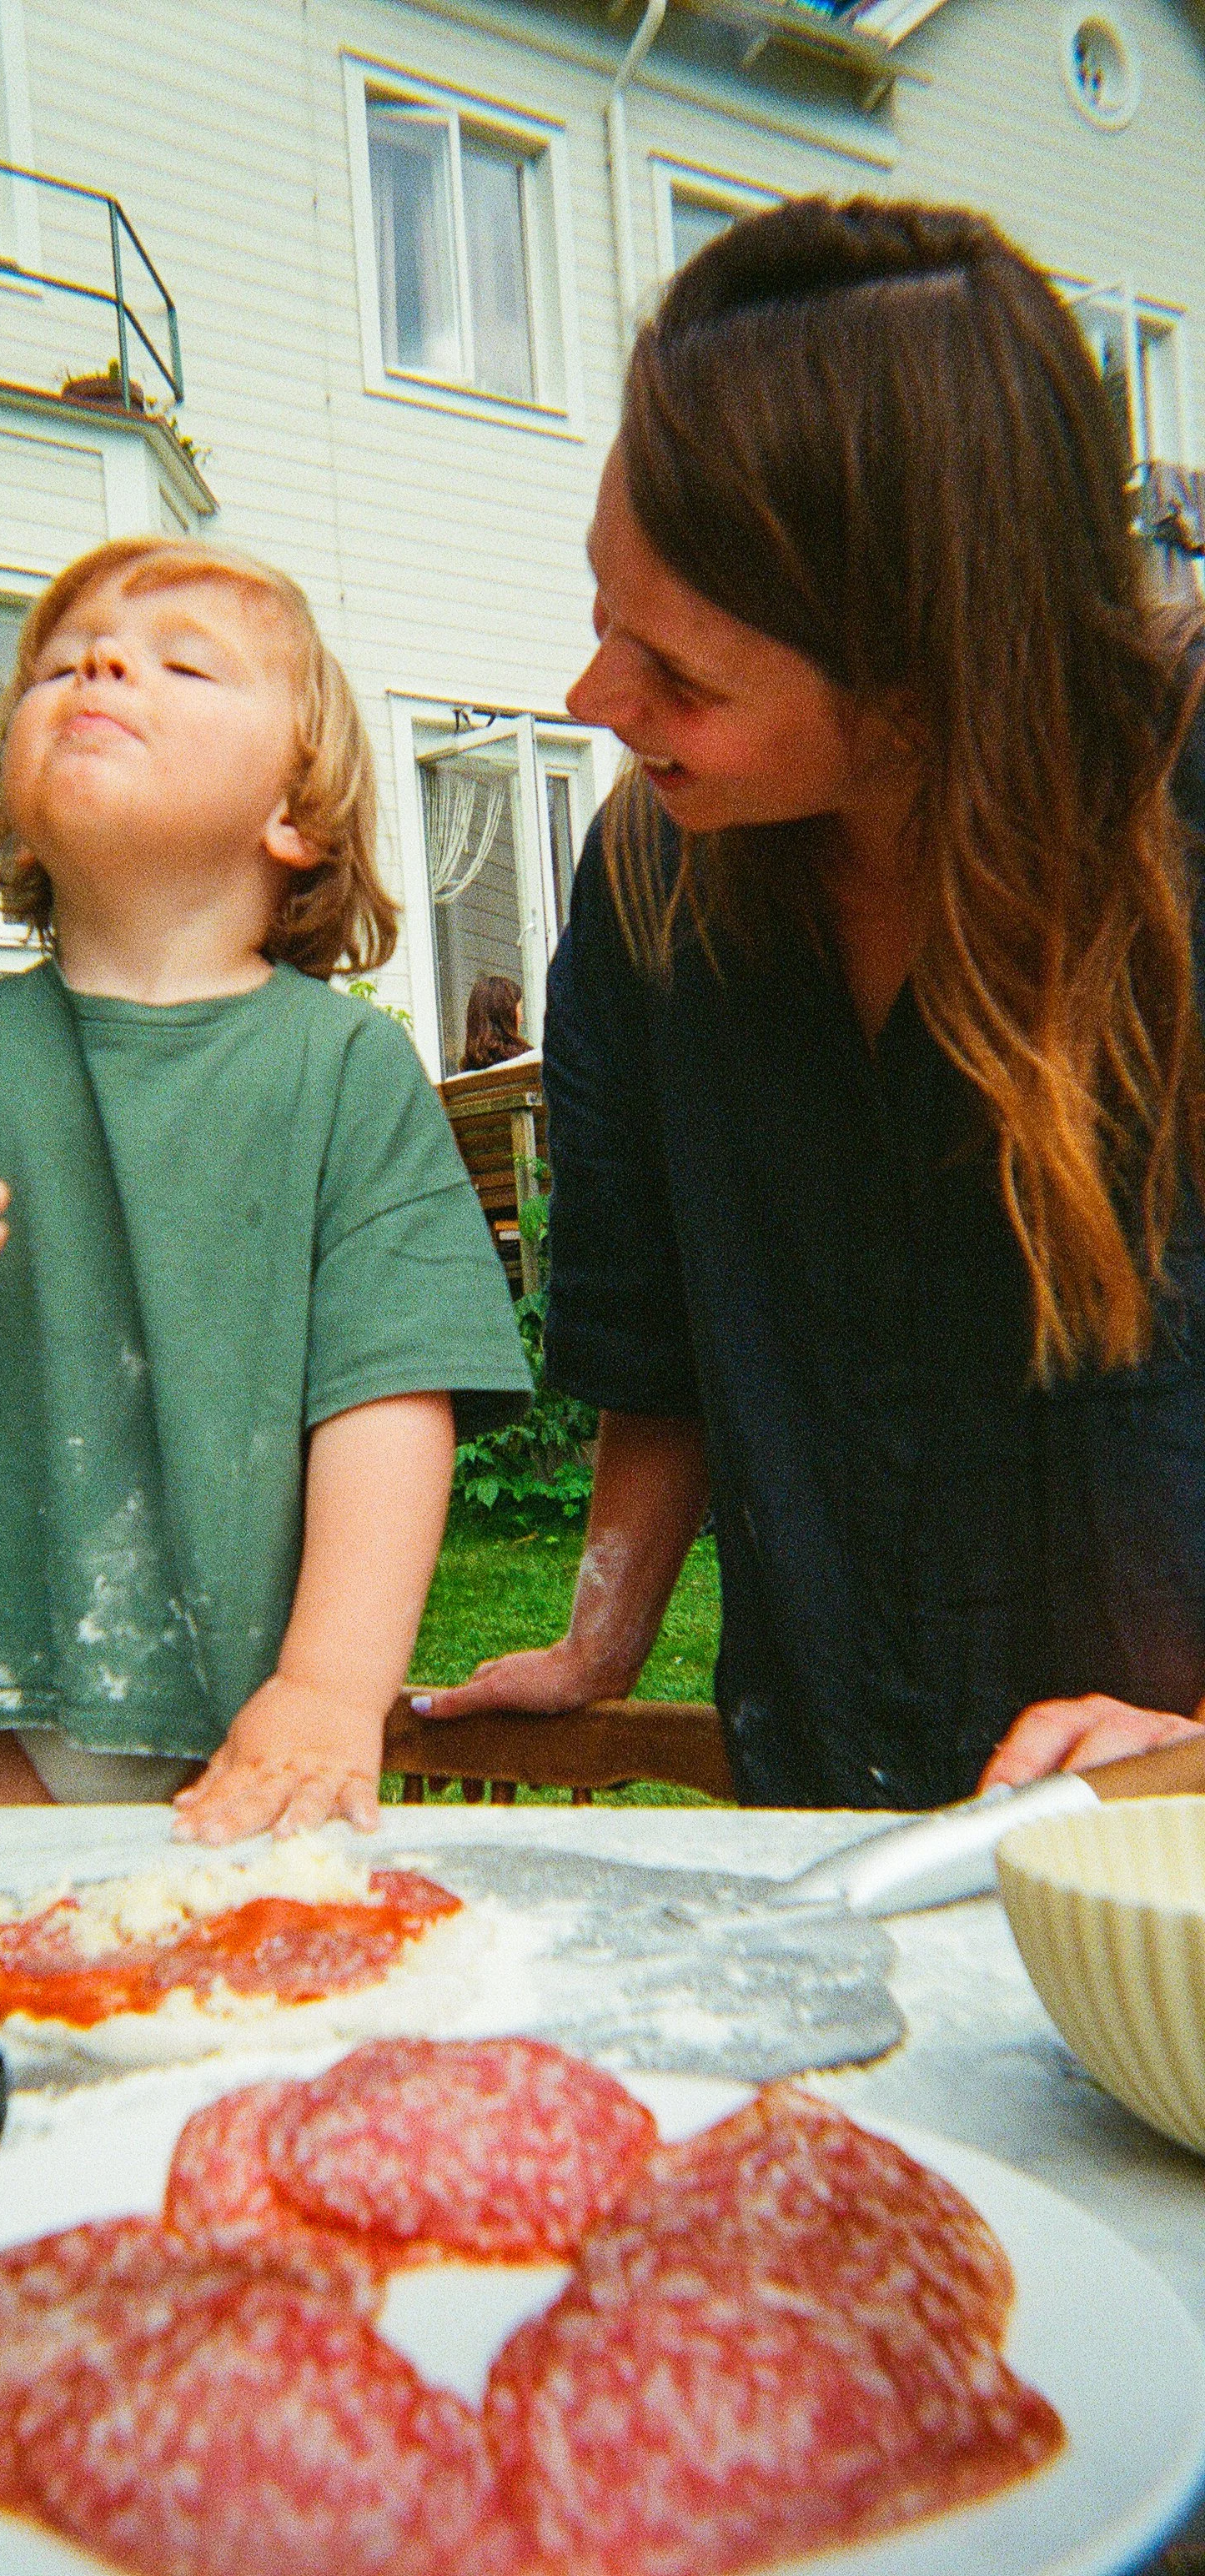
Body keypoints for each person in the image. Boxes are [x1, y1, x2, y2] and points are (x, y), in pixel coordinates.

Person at [419, 198, 1205, 1808]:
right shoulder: (653, 878)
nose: (592, 702)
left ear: (930, 675)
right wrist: (599, 1631)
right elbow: (653, 1333)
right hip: (830, 1763)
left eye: (681, 677)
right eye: (599, 616)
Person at [0, 535, 530, 1838]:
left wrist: (332, 1687)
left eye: (181, 663)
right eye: (58, 665)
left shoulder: (343, 1071)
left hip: (259, 1725)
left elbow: (392, 1399)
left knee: (262, 2024)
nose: (99, 665)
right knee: (0, 2020)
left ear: (296, 814)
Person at [459, 972, 530, 1070]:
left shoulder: (465, 1075)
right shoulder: (528, 1061)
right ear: (507, 1015)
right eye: (520, 1009)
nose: (522, 1019)